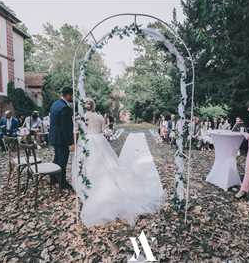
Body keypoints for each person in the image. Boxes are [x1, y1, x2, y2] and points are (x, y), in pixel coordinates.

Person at [71, 98, 164, 226]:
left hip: (87, 142)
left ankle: (89, 186)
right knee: (107, 166)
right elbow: (104, 130)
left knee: (88, 164)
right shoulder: (99, 117)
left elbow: (78, 131)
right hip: (99, 141)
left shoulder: (82, 117)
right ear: (93, 105)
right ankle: (104, 185)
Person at [49, 87, 74, 190]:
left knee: (57, 158)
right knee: (62, 161)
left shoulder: (55, 104)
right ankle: (62, 183)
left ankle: (53, 178)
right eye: (72, 95)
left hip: (54, 136)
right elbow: (66, 127)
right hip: (61, 138)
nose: (72, 97)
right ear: (67, 95)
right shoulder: (65, 108)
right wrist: (70, 142)